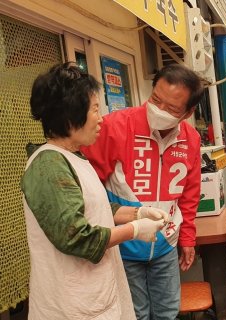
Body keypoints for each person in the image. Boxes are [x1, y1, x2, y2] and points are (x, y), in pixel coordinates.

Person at [22, 63, 166, 319]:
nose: (101, 119)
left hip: (94, 293)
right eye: (95, 110)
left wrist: (138, 213)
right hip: (70, 304)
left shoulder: (75, 157)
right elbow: (76, 236)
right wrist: (134, 231)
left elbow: (97, 208)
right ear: (70, 115)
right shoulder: (49, 165)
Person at [82, 64, 205, 319]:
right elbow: (89, 185)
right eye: (155, 100)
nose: (159, 110)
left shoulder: (191, 138)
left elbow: (190, 194)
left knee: (168, 311)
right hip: (124, 244)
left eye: (171, 108)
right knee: (134, 313)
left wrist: (188, 238)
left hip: (166, 243)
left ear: (189, 112)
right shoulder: (115, 126)